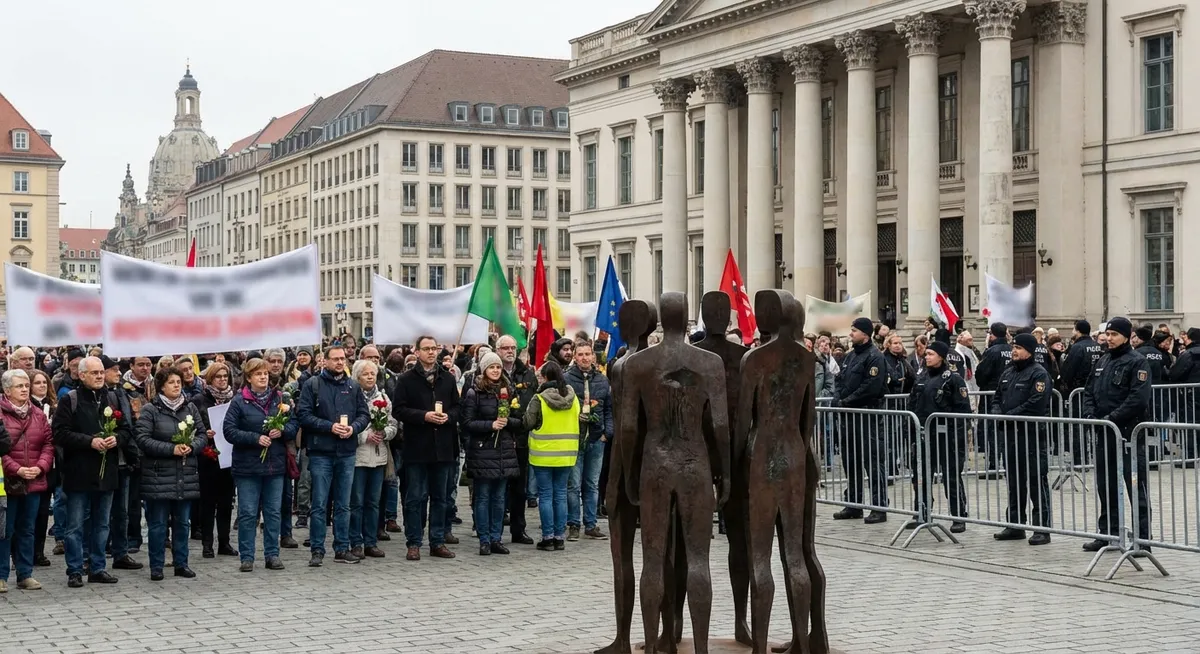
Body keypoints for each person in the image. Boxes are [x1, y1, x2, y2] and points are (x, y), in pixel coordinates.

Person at [52, 356, 130, 588]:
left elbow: (126, 429)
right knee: (75, 524)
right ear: (82, 375)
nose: (98, 376)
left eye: (100, 372)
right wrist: (90, 442)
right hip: (79, 472)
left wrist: (116, 439)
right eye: (94, 373)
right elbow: (60, 433)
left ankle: (98, 567)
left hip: (107, 473)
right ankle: (75, 569)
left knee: (102, 523)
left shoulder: (112, 398)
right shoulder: (70, 399)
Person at [1081, 317, 1152, 553]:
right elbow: (1089, 391)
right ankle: (1108, 533)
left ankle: (1143, 539)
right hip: (1106, 434)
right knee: (1106, 485)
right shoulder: (1102, 361)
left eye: (1113, 334)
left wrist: (1111, 418)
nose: (1109, 339)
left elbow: (1137, 399)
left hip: (1128, 434)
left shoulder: (1137, 362)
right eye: (1107, 334)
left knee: (1135, 487)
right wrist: (1091, 415)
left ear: (1126, 335)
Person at [297, 345, 371, 567]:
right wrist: (330, 427)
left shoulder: (353, 386)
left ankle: (342, 548)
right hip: (321, 452)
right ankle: (317, 550)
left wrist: (354, 428)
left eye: (343, 359)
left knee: (343, 504)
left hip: (346, 452)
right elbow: (303, 414)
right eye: (335, 359)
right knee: (319, 504)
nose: (340, 362)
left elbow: (364, 414)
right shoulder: (313, 385)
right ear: (325, 361)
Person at [223, 358, 296, 572]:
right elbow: (229, 430)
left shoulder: (280, 398)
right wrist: (255, 438)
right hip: (248, 468)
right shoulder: (239, 401)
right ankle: (247, 557)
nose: (263, 377)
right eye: (258, 374)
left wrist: (282, 431)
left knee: (273, 512)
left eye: (265, 373)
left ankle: (272, 555)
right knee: (247, 512)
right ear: (248, 378)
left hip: (274, 466)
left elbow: (293, 423)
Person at [134, 367, 207, 581]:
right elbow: (142, 439)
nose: (177, 385)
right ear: (161, 386)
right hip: (158, 477)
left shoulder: (190, 407)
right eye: (172, 382)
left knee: (183, 523)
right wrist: (171, 449)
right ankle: (156, 566)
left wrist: (192, 446)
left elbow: (202, 434)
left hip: (185, 474)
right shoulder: (151, 410)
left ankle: (181, 564)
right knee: (158, 525)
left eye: (179, 382)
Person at [392, 335, 460, 561]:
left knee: (441, 497)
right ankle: (414, 542)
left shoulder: (447, 379)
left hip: (443, 448)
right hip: (417, 448)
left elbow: (458, 409)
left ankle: (437, 541)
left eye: (435, 348)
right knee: (415, 497)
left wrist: (448, 417)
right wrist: (424, 416)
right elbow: (398, 410)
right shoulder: (406, 379)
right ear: (417, 351)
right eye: (427, 348)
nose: (431, 352)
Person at [991, 333, 1053, 545]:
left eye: (1018, 347)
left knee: (1037, 481)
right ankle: (1015, 524)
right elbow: (997, 397)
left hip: (1032, 434)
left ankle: (1042, 528)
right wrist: (998, 412)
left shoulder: (1039, 374)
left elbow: (1037, 402)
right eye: (1013, 346)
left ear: (1029, 350)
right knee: (1014, 482)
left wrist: (1010, 415)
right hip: (1010, 435)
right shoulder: (1008, 372)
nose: (1014, 351)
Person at [460, 351, 521, 556]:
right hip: (483, 451)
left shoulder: (508, 390)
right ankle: (484, 539)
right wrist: (490, 425)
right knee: (483, 497)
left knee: (499, 499)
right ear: (484, 369)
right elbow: (467, 423)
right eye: (491, 367)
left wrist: (507, 423)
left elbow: (518, 420)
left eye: (497, 367)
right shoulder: (474, 392)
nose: (495, 370)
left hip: (503, 451)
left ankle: (497, 538)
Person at [832, 317, 888, 523]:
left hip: (867, 416)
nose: (851, 334)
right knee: (851, 461)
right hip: (849, 418)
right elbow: (839, 380)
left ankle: (878, 506)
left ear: (865, 334)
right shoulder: (849, 357)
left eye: (854, 331)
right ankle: (854, 504)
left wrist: (847, 401)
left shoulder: (874, 357)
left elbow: (872, 386)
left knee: (872, 462)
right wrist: (838, 399)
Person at [1, 369, 53, 592]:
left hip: (34, 479)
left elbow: (48, 444)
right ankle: (1, 575)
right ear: (6, 390)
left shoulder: (38, 413)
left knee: (27, 528)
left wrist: (40, 467)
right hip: (9, 482)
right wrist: (17, 469)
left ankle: (25, 573)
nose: (24, 389)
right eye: (19, 386)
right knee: (5, 529)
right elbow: (1, 449)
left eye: (26, 385)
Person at [524, 361, 580, 551]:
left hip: (543, 453)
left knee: (546, 496)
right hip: (567, 454)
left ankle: (547, 538)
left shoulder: (538, 399)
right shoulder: (573, 398)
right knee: (561, 495)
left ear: (546, 378)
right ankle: (559, 537)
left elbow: (528, 422)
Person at [563, 339, 613, 542]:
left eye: (587, 354)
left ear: (593, 356)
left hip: (596, 438)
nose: (584, 358)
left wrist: (606, 433)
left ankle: (590, 524)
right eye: (580, 354)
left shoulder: (602, 380)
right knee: (573, 485)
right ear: (575, 357)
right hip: (575, 439)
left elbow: (609, 409)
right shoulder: (566, 378)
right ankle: (573, 523)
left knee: (592, 484)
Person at [349, 359, 396, 559]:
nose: (370, 377)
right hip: (359, 457)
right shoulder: (351, 397)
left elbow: (393, 424)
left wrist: (384, 433)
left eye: (373, 373)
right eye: (366, 374)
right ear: (357, 377)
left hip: (378, 456)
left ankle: (370, 541)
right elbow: (347, 425)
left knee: (373, 502)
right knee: (357, 502)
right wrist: (363, 436)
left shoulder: (383, 397)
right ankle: (355, 541)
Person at [192, 362, 238, 557]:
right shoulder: (199, 400)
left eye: (225, 376)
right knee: (208, 502)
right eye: (218, 376)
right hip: (208, 456)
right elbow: (191, 425)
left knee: (227, 502)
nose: (222, 380)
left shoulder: (234, 399)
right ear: (210, 379)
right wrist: (204, 432)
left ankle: (224, 542)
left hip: (228, 455)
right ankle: (207, 543)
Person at [494, 335, 537, 544]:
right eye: (505, 348)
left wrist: (522, 424)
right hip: (497, 437)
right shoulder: (491, 371)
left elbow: (532, 402)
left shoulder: (527, 373)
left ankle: (519, 530)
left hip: (520, 437)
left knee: (520, 488)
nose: (510, 351)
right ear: (497, 350)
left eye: (513, 347)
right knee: (498, 488)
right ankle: (495, 531)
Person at [28, 369, 56, 567]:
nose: (42, 386)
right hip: (28, 463)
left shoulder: (53, 406)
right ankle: (22, 551)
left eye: (44, 383)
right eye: (37, 383)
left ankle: (38, 550)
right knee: (28, 512)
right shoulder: (26, 407)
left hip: (49, 465)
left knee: (43, 511)